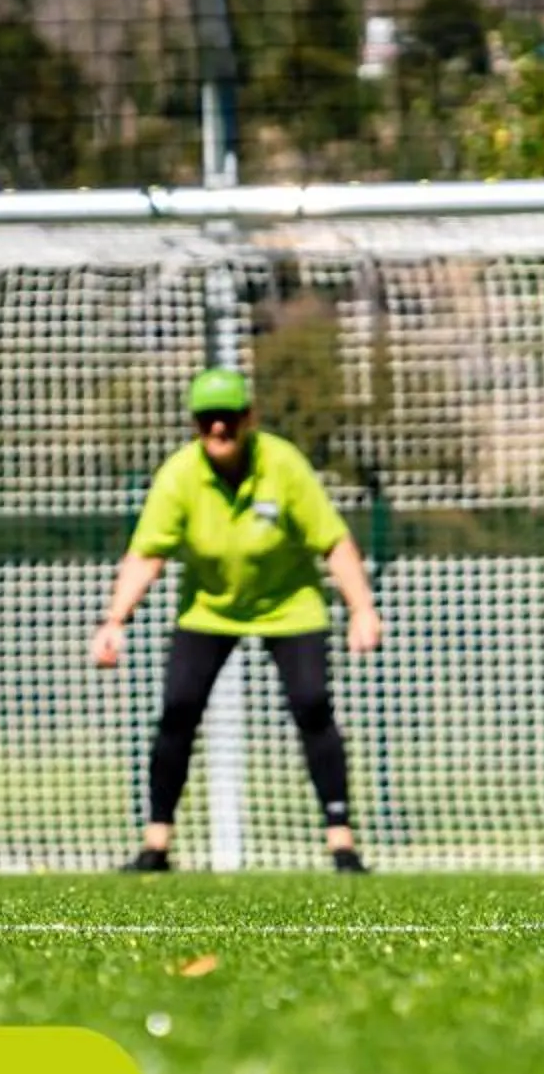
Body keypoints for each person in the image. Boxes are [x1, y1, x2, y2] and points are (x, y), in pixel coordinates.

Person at [91, 369, 385, 875]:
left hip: (290, 605)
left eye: (229, 418)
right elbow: (148, 554)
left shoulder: (282, 465)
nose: (219, 429)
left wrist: (361, 607)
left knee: (313, 705)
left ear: (249, 418)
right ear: (195, 425)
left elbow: (332, 540)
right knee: (178, 709)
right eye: (208, 420)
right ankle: (155, 844)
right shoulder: (180, 475)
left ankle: (342, 843)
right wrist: (115, 619)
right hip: (209, 609)